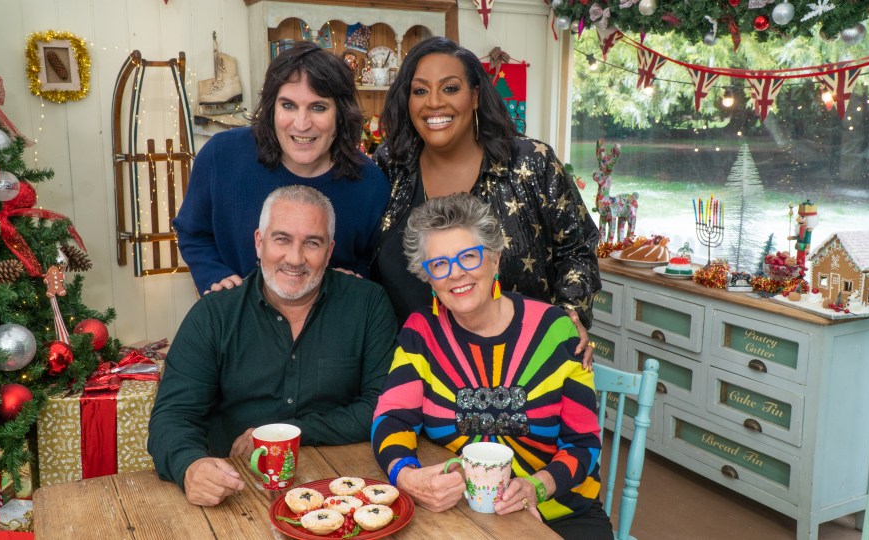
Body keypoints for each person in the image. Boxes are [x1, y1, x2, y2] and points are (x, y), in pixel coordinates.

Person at [371, 193, 612, 539]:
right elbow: (392, 418)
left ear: (495, 260)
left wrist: (536, 487)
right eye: (439, 264)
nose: (456, 274)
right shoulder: (420, 334)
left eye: (468, 257)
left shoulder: (556, 330)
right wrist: (406, 476)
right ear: (427, 277)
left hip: (561, 512)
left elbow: (583, 442)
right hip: (463, 514)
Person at [150, 185, 398, 506]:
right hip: (236, 491)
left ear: (329, 249)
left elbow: (381, 406)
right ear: (259, 242)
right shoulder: (213, 315)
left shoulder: (368, 305)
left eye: (312, 242)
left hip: (341, 486)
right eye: (282, 239)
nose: (295, 258)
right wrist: (189, 466)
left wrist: (287, 432)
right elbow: (172, 416)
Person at [371, 37, 601, 365]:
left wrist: (569, 317)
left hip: (523, 365)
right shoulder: (389, 165)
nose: (434, 103)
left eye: (450, 88)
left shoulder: (531, 162)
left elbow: (577, 251)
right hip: (413, 367)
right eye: (420, 91)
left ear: (475, 95)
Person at [174, 41, 390, 295]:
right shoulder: (221, 155)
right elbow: (192, 231)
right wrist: (213, 275)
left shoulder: (370, 183)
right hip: (236, 318)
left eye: (318, 107)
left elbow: (371, 258)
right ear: (271, 108)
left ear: (341, 115)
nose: (301, 124)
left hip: (327, 324)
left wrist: (356, 276)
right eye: (288, 105)